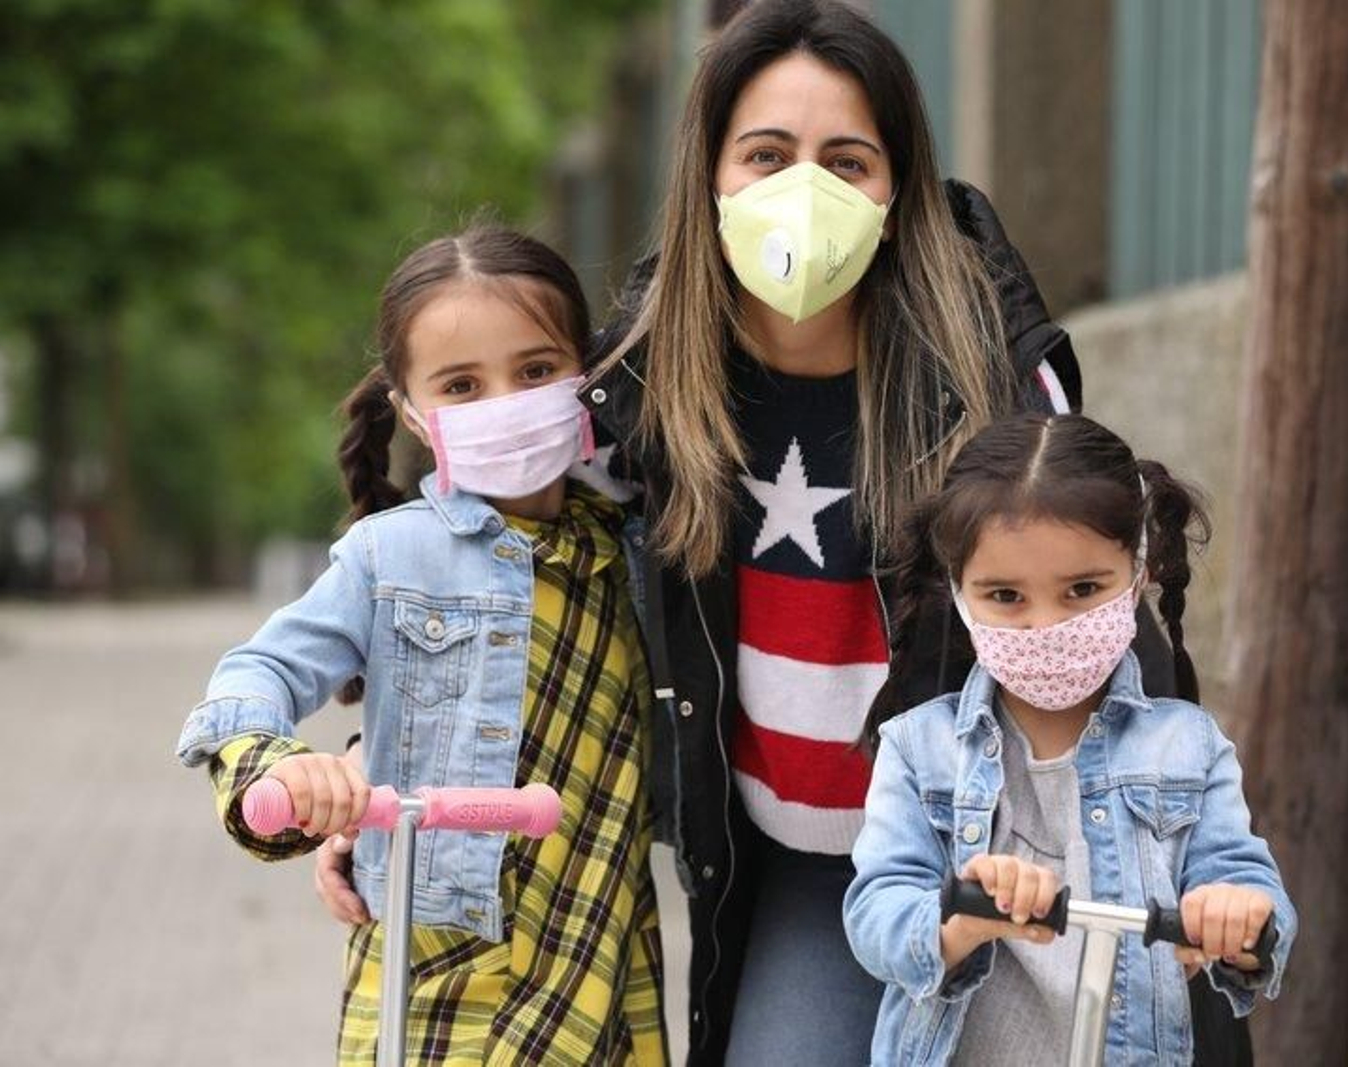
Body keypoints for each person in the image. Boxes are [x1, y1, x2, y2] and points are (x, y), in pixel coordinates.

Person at [316, 3, 1247, 1062]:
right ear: (708, 178)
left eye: (846, 161)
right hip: (808, 866)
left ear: (896, 193)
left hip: (1013, 849)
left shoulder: (995, 387)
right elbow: (500, 586)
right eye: (765, 155)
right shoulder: (631, 397)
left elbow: (1096, 619)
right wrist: (384, 760)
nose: (805, 189)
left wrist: (1193, 854)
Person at [174, 226, 666, 1066]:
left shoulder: (635, 548)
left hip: (596, 962)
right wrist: (282, 767)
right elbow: (259, 671)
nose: (505, 401)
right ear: (411, 411)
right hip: (437, 976)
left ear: (584, 377)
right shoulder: (390, 555)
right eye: (462, 385)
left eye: (536, 371)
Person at [844, 412, 1297, 1065]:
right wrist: (957, 918)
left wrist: (1237, 914)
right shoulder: (920, 751)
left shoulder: (1188, 748)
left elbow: (1248, 886)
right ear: (960, 594)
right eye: (1006, 595)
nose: (1045, 626)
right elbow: (876, 909)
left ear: (1137, 574)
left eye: (1082, 589)